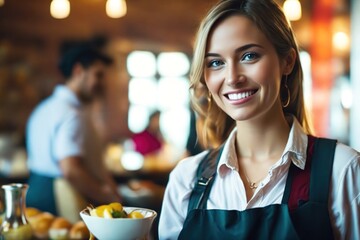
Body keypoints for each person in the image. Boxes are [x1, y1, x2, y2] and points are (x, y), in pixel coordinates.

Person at [158, 0, 360, 239]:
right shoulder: (186, 180)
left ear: (287, 61)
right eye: (216, 63)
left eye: (249, 56)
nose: (232, 78)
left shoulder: (343, 170)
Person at [26, 43, 121, 221]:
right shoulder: (71, 114)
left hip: (35, 192)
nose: (101, 83)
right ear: (78, 71)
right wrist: (106, 195)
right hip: (58, 200)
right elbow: (70, 169)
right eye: (98, 75)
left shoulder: (45, 107)